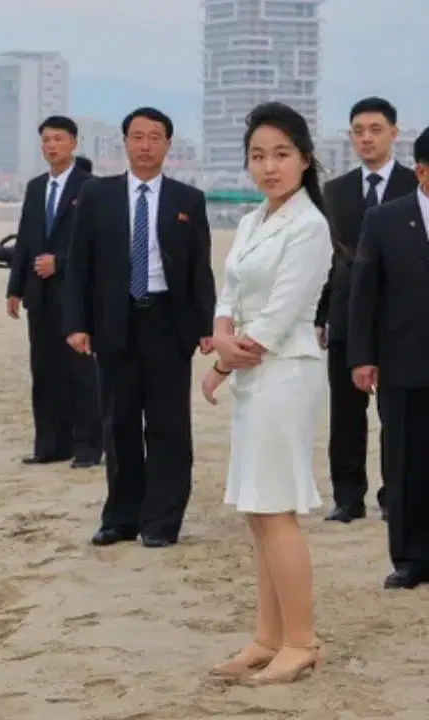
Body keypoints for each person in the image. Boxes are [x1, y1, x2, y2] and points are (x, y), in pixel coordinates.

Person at [202, 102, 329, 685]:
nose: (269, 166)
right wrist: (222, 335)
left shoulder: (310, 226)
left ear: (305, 159)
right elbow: (229, 291)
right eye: (258, 156)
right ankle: (267, 637)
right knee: (257, 509)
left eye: (281, 154)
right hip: (254, 376)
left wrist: (222, 362)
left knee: (276, 508)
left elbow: (277, 318)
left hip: (285, 372)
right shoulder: (255, 219)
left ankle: (301, 642)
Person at [63, 107, 216, 548]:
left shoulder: (188, 199)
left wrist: (205, 324)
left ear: (168, 144)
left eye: (154, 137)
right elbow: (79, 263)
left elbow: (199, 267)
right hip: (114, 320)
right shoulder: (97, 194)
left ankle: (162, 522)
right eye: (137, 136)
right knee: (119, 422)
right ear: (125, 142)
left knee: (168, 426)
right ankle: (121, 517)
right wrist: (76, 323)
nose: (145, 145)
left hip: (168, 321)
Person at [316, 97, 418, 523]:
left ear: (394, 133)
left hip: (401, 317)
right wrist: (322, 313)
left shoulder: (415, 183)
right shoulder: (335, 191)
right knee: (345, 412)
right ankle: (348, 497)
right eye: (358, 131)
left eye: (375, 130)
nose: (366, 138)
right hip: (346, 312)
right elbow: (332, 259)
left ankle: (395, 495)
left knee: (399, 415)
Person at [348, 127, 429, 590]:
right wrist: (363, 357)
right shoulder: (384, 221)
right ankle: (411, 558)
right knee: (405, 462)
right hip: (403, 362)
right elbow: (364, 295)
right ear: (421, 172)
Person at [6, 116, 102, 469]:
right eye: (46, 140)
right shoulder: (35, 188)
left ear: (73, 143)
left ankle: (88, 448)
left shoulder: (90, 187)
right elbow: (25, 239)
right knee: (45, 371)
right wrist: (15, 288)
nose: (51, 146)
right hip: (39, 294)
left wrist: (59, 263)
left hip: (76, 293)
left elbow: (97, 243)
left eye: (58, 139)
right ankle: (50, 445)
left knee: (81, 372)